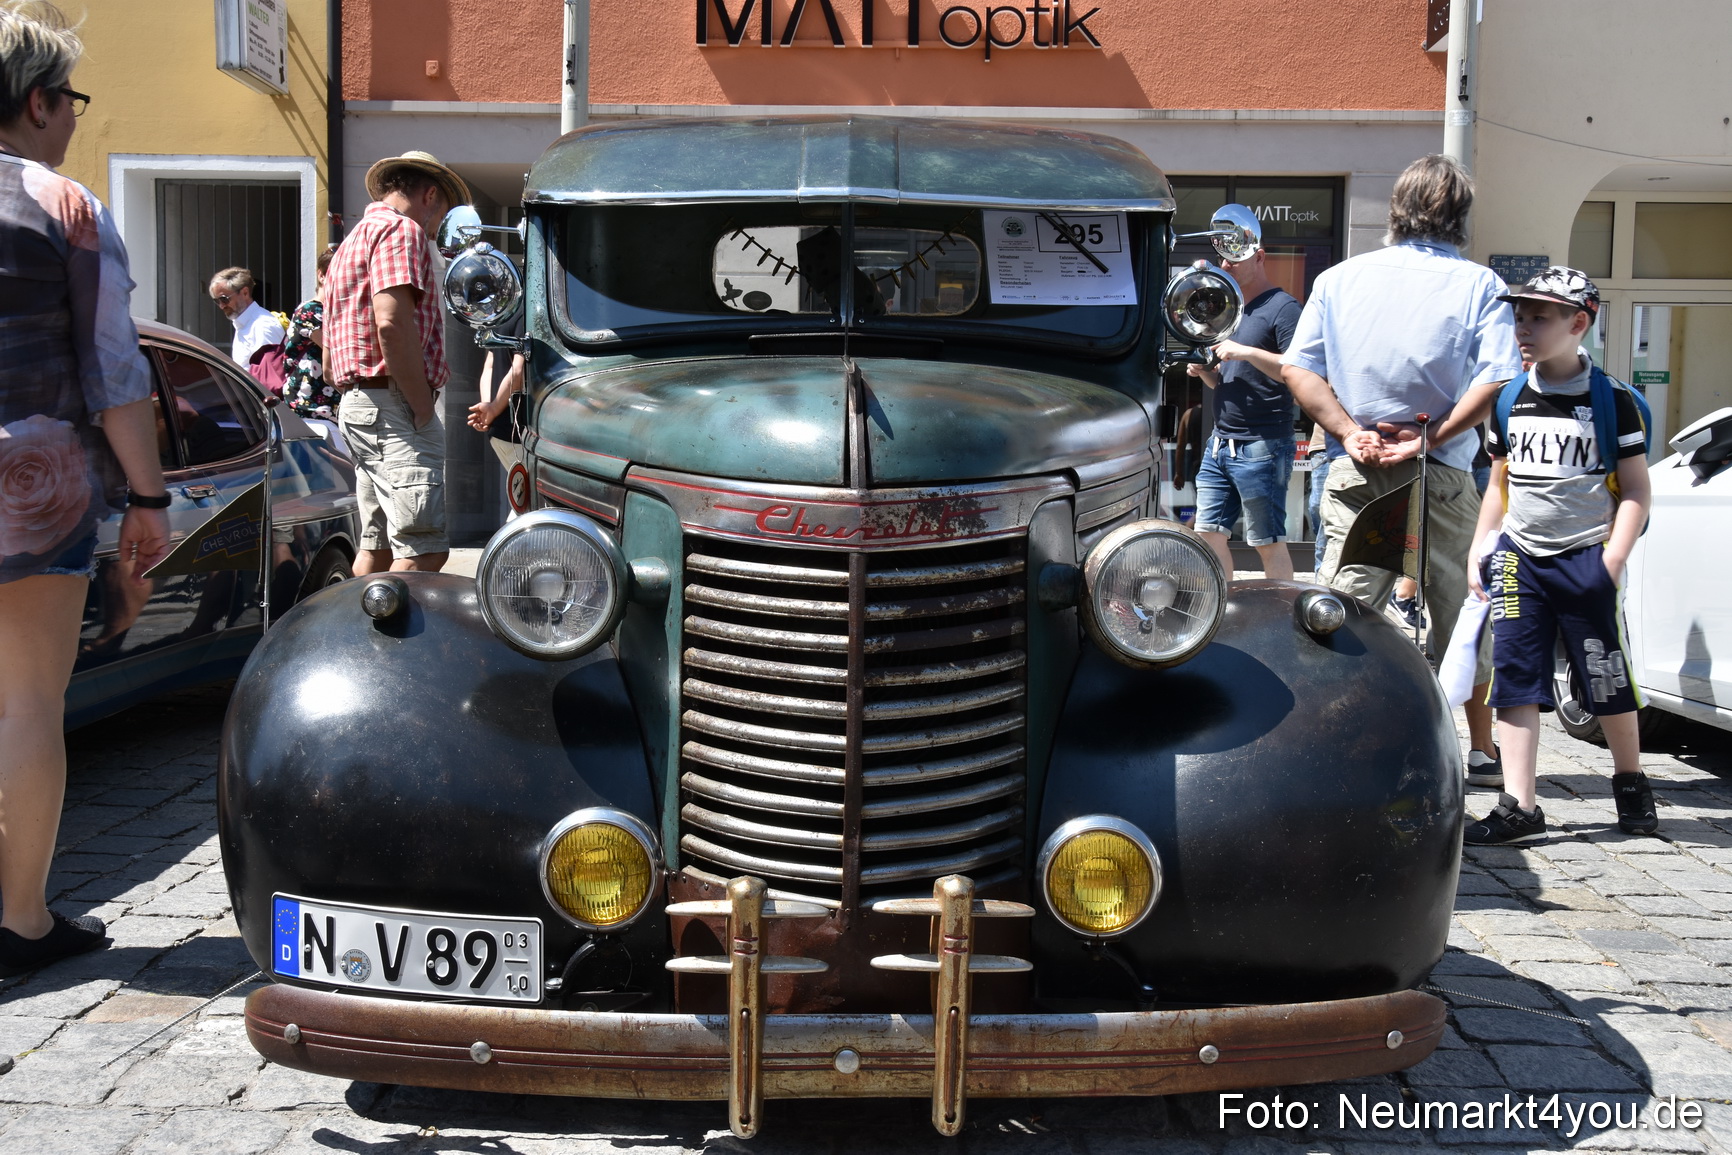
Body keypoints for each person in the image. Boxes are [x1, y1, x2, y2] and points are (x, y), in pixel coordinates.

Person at [0, 0, 170, 975]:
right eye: (71, 98)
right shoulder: (65, 208)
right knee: (25, 704)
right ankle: (21, 921)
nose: (74, 117)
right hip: (32, 483)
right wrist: (147, 503)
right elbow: (115, 374)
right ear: (36, 101)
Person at [1280, 154, 1520, 784]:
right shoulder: (1478, 285)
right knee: (1461, 613)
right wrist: (1430, 435)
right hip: (1438, 470)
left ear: (1394, 210)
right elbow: (1499, 375)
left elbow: (1296, 369)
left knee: (1342, 609)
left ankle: (1329, 737)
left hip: (1358, 466)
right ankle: (1476, 749)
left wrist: (1348, 430)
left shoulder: (1339, 278)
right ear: (1460, 217)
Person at [1459, 268, 1654, 844]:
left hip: (1584, 557)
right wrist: (1481, 545)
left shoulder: (1614, 403)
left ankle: (1630, 778)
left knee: (1603, 671)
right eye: (1519, 315)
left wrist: (1610, 562)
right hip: (1520, 558)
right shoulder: (1509, 399)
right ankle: (1519, 804)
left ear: (1578, 323)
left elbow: (1637, 490)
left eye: (1539, 316)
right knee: (1515, 676)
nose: (1524, 327)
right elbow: (1501, 481)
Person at [325, 150, 467, 575]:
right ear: (429, 195)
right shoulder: (401, 231)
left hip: (363, 404)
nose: (438, 225)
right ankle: (401, 644)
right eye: (443, 211)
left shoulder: (352, 239)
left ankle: (358, 637)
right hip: (393, 406)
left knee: (377, 548)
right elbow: (390, 324)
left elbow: (331, 354)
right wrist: (421, 404)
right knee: (424, 551)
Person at [1185, 246, 1302, 579]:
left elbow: (1297, 370)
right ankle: (1223, 616)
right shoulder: (1231, 309)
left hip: (1263, 444)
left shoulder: (1284, 308)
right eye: (1223, 257)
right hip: (1220, 443)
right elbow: (1224, 381)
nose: (1226, 264)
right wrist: (1204, 371)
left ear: (1260, 257)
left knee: (1267, 542)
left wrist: (1246, 352)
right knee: (1208, 535)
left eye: (1235, 257)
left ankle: (1279, 622)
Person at [283, 245, 342, 420]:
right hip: (308, 405)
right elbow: (336, 349)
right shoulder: (310, 310)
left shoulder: (334, 311)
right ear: (321, 276)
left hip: (328, 405)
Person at [209, 266, 285, 367]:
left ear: (245, 293)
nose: (221, 306)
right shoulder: (243, 324)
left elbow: (271, 375)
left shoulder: (263, 325)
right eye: (217, 301)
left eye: (224, 299)